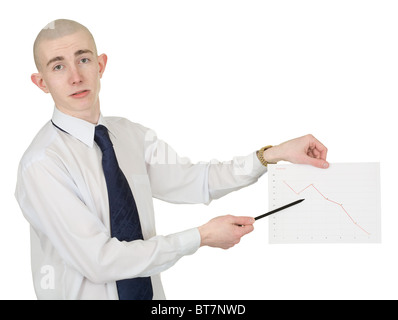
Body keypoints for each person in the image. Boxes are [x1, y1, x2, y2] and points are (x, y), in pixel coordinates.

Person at [15, 19, 329, 300]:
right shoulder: (42, 164)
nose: (75, 76)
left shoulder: (130, 135)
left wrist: (273, 154)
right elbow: (100, 261)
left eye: (83, 59)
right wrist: (201, 237)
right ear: (41, 82)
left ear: (101, 65)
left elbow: (197, 180)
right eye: (58, 66)